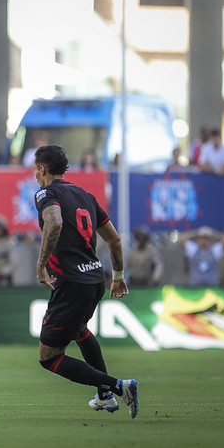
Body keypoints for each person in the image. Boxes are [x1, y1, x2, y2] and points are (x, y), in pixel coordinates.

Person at [33, 144, 138, 418]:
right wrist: (117, 276)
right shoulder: (85, 195)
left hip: (71, 282)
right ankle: (104, 396)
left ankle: (117, 387)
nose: (35, 174)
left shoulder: (46, 193)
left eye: (35, 169)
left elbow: (54, 223)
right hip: (95, 279)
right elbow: (114, 239)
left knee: (49, 357)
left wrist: (41, 264)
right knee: (79, 329)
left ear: (42, 169)